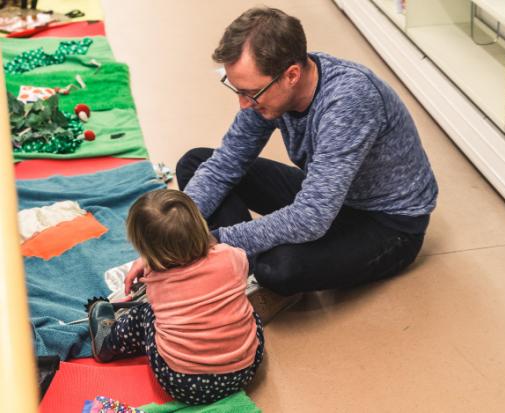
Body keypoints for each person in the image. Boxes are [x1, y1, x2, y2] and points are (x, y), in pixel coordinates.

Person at [176, 7, 438, 297]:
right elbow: (225, 164)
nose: (243, 104)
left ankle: (232, 261)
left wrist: (215, 240)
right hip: (331, 197)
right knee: (196, 163)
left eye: (250, 93)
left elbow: (312, 216)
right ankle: (236, 263)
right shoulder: (266, 91)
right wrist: (174, 232)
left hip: (388, 223)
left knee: (278, 269)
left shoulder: (349, 100)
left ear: (291, 75)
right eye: (236, 89)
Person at [88, 189, 264, 405]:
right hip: (245, 371)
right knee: (247, 310)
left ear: (145, 250)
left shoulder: (156, 280)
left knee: (145, 314)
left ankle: (106, 343)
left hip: (184, 385)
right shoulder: (232, 256)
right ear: (200, 224)